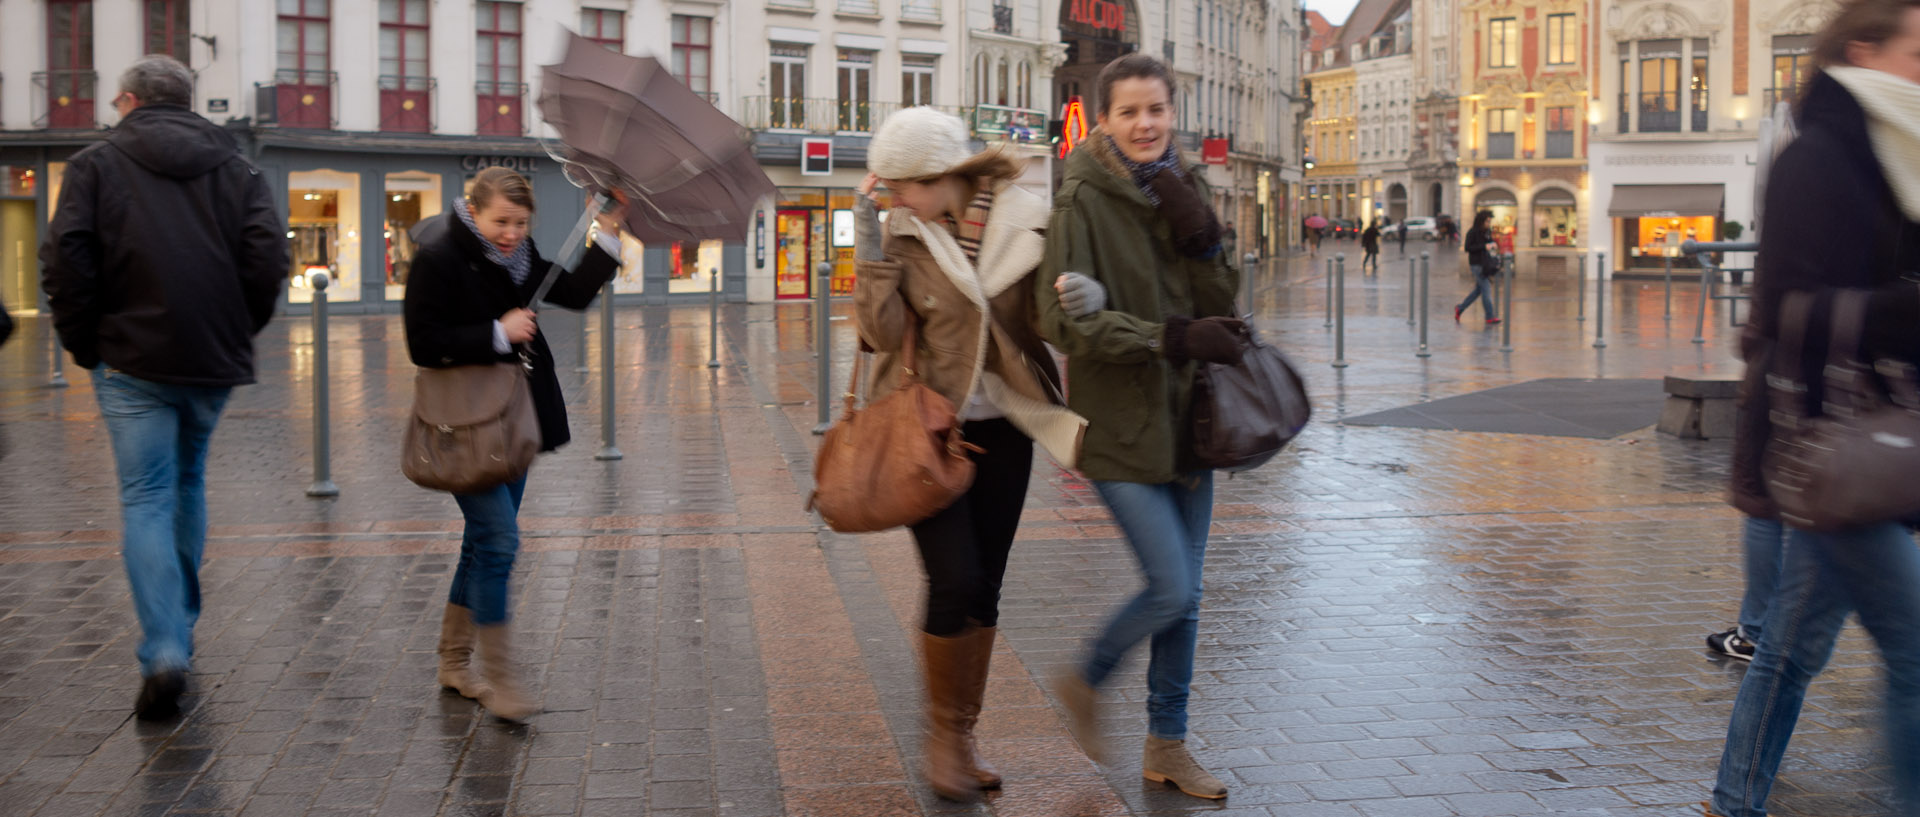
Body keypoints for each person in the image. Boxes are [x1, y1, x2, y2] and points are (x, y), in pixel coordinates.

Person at [1706, 2, 1920, 814]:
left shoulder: (1900, 158)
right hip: (1835, 445)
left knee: (1793, 646)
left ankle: (1732, 800)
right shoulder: (1821, 158)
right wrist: (1905, 308)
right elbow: (1786, 312)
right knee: (1913, 652)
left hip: (1880, 445)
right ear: (1864, 51)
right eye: (1918, 53)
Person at [40, 55, 288, 720]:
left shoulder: (95, 165)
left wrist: (86, 342)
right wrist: (238, 327)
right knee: (186, 483)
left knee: (146, 497)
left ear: (127, 101)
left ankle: (165, 648)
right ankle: (180, 625)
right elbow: (268, 259)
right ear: (186, 101)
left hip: (131, 360)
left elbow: (66, 258)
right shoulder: (237, 165)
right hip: (209, 359)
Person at [850, 107, 1087, 801]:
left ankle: (964, 732)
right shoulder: (899, 231)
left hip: (1006, 426)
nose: (894, 198)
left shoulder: (1025, 220)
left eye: (903, 186)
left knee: (985, 584)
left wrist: (1077, 294)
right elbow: (879, 333)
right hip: (925, 428)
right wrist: (869, 244)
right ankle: (942, 738)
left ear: (944, 175)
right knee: (952, 578)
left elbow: (1045, 323)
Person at [1036, 53, 1241, 800]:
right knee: (1171, 585)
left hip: (1190, 421)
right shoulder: (1081, 198)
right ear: (1105, 119)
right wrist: (1166, 338)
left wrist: (1207, 241)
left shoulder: (1188, 185)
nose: (1145, 124)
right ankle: (1087, 674)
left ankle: (1167, 744)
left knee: (1187, 596)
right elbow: (1057, 319)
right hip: (1118, 426)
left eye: (1155, 109)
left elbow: (1223, 300)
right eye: (1129, 112)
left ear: (1171, 112)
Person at [403, 167, 624, 722]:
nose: (511, 233)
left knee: (480, 544)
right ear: (473, 211)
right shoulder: (438, 257)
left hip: (510, 421)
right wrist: (497, 333)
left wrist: (609, 228)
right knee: (499, 542)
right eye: (501, 221)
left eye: (521, 224)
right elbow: (422, 342)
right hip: (460, 425)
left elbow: (572, 293)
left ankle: (454, 664)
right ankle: (502, 682)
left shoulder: (522, 261)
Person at [1454, 210, 1501, 325]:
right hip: (1477, 264)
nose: (1488, 223)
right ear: (1481, 221)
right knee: (1486, 290)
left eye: (1490, 221)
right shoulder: (1472, 232)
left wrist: (1493, 244)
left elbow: (1490, 243)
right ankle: (1489, 316)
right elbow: (1468, 248)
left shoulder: (1487, 232)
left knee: (1478, 291)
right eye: (1487, 221)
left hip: (1486, 263)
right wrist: (1485, 246)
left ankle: (1460, 308)